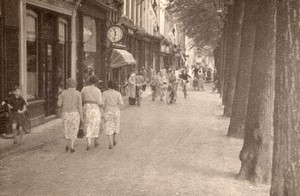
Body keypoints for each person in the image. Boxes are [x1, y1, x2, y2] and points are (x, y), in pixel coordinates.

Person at [57, 78, 83, 153]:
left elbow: (59, 104)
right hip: (75, 114)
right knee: (74, 129)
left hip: (65, 114)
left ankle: (67, 144)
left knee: (67, 129)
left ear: (67, 85)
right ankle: (71, 146)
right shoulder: (78, 93)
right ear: (74, 84)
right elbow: (79, 106)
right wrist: (81, 116)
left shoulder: (63, 93)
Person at [81, 75, 102, 150]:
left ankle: (88, 143)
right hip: (94, 107)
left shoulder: (84, 89)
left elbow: (81, 98)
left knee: (87, 124)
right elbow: (100, 102)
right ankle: (96, 140)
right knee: (96, 123)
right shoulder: (98, 90)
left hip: (86, 107)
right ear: (96, 82)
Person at [102, 81, 124, 149]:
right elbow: (121, 103)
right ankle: (115, 139)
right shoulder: (118, 93)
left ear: (107, 86)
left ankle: (110, 143)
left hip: (108, 111)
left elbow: (102, 103)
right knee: (115, 125)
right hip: (116, 111)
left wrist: (104, 108)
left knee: (108, 126)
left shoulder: (104, 93)